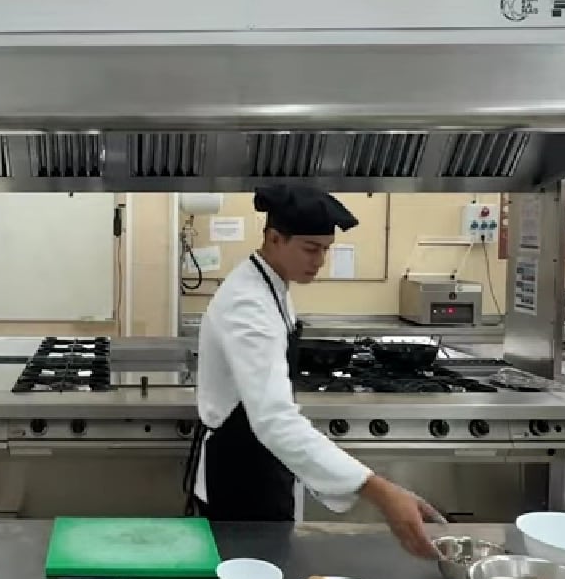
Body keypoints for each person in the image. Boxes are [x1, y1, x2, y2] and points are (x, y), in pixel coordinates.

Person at [183, 184, 440, 559]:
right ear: (274, 238)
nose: (320, 261)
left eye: (325, 250)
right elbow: (274, 421)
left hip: (260, 459)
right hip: (242, 474)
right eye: (310, 249)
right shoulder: (248, 304)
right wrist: (382, 493)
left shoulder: (271, 284)